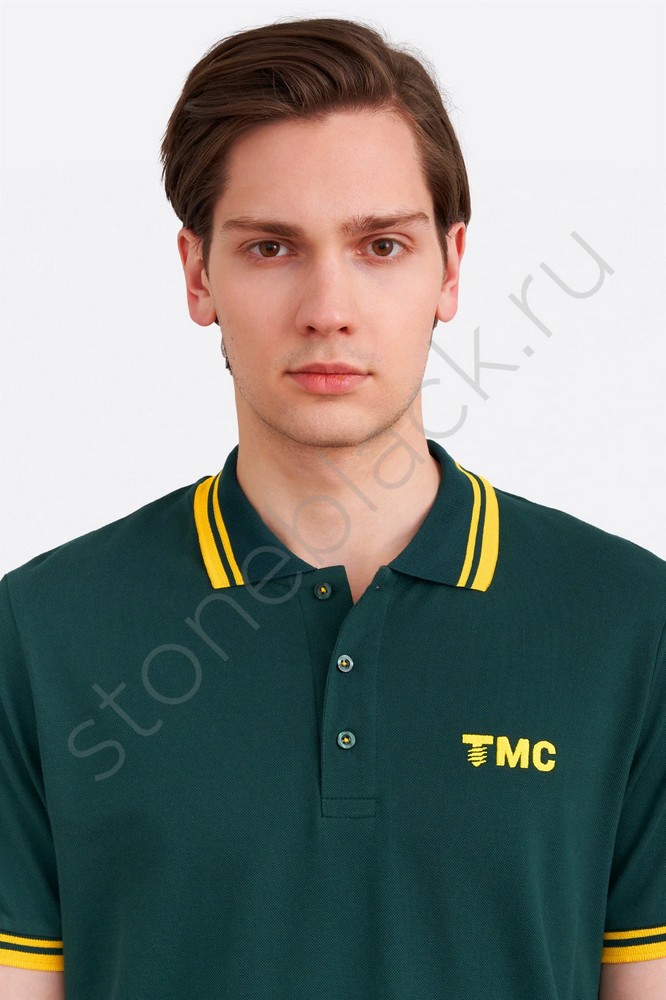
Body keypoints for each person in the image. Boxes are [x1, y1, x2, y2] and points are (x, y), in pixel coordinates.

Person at [0, 15, 664, 1000]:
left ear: (450, 268)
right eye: (272, 247)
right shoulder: (42, 631)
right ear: (198, 274)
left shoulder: (630, 621)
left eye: (381, 245)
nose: (328, 309)